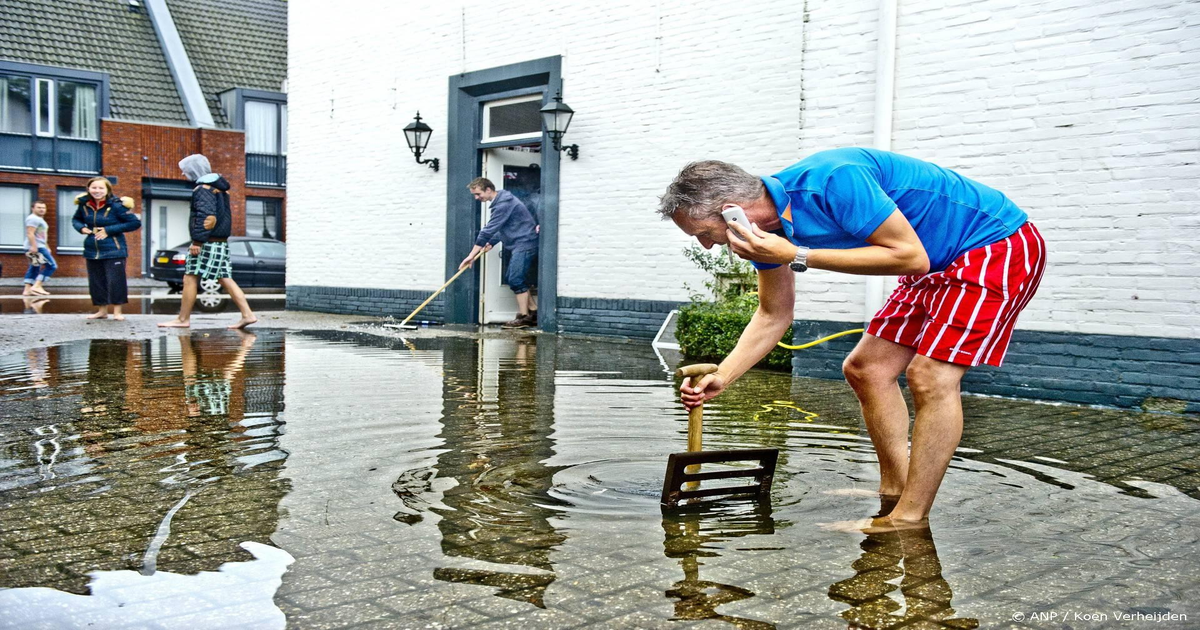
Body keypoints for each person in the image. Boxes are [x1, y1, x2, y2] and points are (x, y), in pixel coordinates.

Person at [659, 148, 1046, 531]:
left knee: (930, 377)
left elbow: (911, 257)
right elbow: (773, 314)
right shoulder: (764, 238)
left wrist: (796, 254)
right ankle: (895, 490)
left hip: (994, 245)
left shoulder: (834, 179)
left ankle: (909, 517)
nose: (706, 245)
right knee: (866, 369)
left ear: (732, 210)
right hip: (937, 261)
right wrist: (723, 375)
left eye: (703, 233)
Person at [159, 154, 257, 330]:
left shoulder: (203, 189)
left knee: (190, 277)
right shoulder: (221, 189)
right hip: (220, 243)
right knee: (225, 278)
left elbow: (207, 217)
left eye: (185, 170)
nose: (183, 174)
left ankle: (182, 319)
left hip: (207, 242)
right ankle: (247, 315)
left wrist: (197, 241)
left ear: (194, 170)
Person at [459, 177, 540, 328]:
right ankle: (533, 312)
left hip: (525, 243)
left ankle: (524, 317)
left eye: (478, 194)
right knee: (513, 278)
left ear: (488, 189)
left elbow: (488, 230)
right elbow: (503, 228)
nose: (476, 198)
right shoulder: (503, 201)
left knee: (515, 279)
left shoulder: (504, 204)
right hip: (520, 243)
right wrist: (491, 242)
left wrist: (471, 255)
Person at [72, 178, 141, 321]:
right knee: (96, 282)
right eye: (94, 188)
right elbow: (76, 219)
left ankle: (117, 312)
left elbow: (134, 223)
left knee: (116, 281)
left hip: (114, 249)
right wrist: (81, 228)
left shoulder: (117, 205)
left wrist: (108, 230)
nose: (97, 191)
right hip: (92, 249)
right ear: (88, 189)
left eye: (101, 188)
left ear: (107, 190)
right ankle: (102, 311)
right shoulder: (84, 205)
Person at [23, 200, 56, 296]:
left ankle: (27, 289)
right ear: (33, 208)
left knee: (35, 266)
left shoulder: (39, 219)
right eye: (39, 207)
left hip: (39, 246)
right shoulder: (33, 219)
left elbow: (41, 235)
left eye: (43, 208)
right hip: (37, 247)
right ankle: (37, 286)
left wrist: (47, 246)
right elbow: (30, 233)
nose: (42, 209)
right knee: (51, 266)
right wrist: (34, 246)